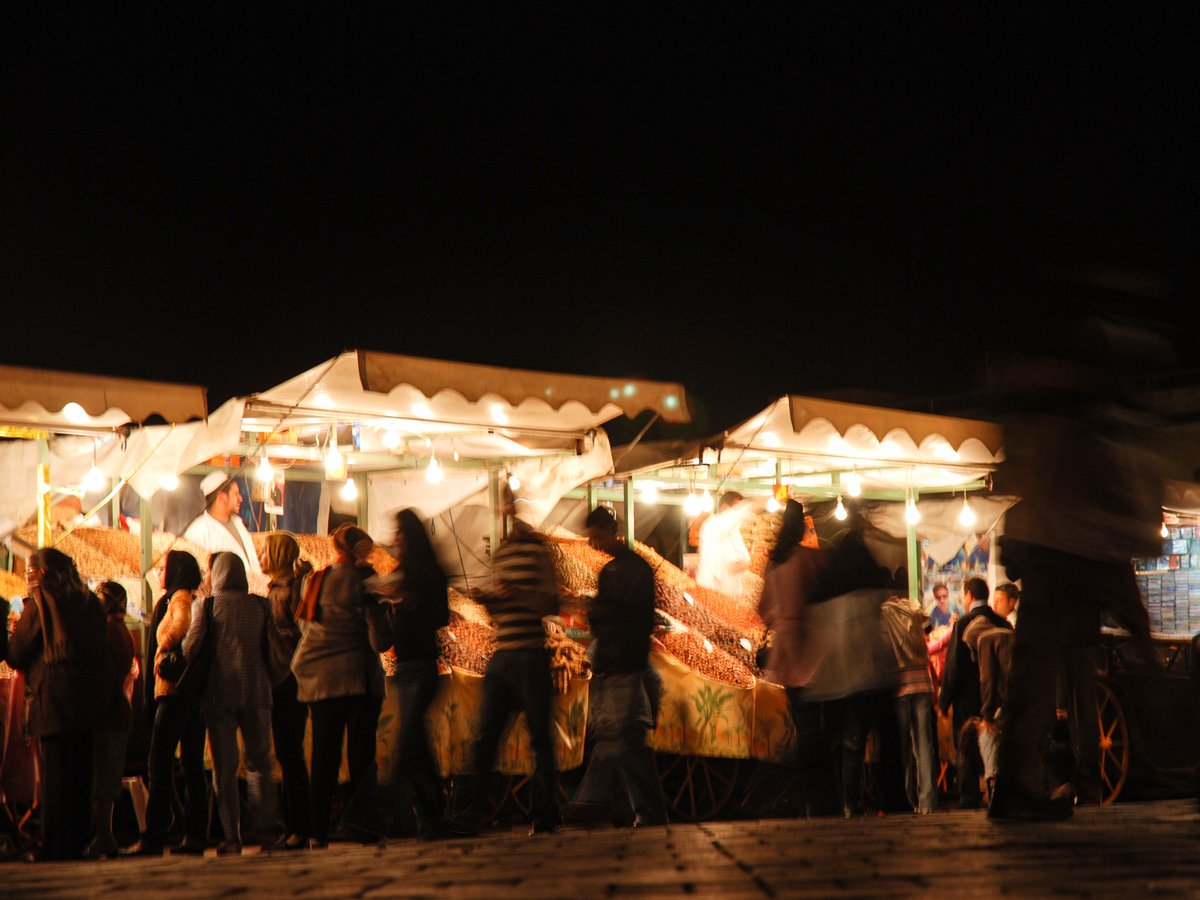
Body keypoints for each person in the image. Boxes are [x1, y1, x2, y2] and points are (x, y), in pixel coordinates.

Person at [989, 314, 1170, 822]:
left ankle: (1016, 783)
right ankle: (1164, 756)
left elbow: (1022, 469)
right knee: (1138, 655)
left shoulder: (1047, 401)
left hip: (1055, 545)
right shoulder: (1101, 413)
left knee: (1035, 671)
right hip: (1090, 547)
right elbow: (1119, 482)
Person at [457, 486, 563, 835]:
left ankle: (545, 815)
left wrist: (516, 594)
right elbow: (499, 613)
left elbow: (550, 603)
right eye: (501, 505)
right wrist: (487, 600)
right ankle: (474, 814)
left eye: (509, 504)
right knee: (486, 735)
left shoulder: (538, 550)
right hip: (503, 655)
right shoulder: (500, 554)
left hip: (531, 655)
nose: (505, 511)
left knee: (540, 739)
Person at [563, 506, 668, 827]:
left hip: (623, 663)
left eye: (597, 537)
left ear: (610, 531)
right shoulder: (616, 570)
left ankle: (586, 804)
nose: (594, 544)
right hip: (619, 662)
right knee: (632, 744)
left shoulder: (630, 570)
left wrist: (592, 608)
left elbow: (629, 617)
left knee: (611, 739)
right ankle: (651, 812)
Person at [7, 548, 113, 861]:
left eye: (30, 569)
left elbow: (18, 652)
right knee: (81, 774)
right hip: (87, 700)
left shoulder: (41, 604)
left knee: (55, 777)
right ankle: (79, 842)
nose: (27, 576)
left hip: (52, 700)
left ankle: (54, 846)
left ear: (44, 572)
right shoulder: (90, 602)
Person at [291, 523, 391, 848]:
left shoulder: (314, 580)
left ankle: (318, 832)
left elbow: (304, 626)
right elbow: (380, 641)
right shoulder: (367, 584)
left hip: (320, 680)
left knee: (323, 757)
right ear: (362, 550)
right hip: (359, 681)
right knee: (362, 758)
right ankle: (363, 827)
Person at [181, 551, 277, 855]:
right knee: (260, 764)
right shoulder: (261, 605)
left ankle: (232, 838)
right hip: (258, 692)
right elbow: (275, 647)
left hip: (219, 694)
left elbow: (190, 648)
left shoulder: (207, 606)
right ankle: (269, 833)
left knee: (224, 767)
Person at [374, 509, 452, 840]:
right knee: (414, 746)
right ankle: (433, 818)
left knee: (408, 744)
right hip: (406, 665)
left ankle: (411, 815)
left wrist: (408, 601)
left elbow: (440, 616)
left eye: (400, 533)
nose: (396, 540)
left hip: (422, 666)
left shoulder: (429, 572)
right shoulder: (403, 570)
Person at [127, 550, 209, 857]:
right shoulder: (181, 596)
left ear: (176, 571)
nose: (159, 572)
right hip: (188, 695)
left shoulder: (180, 599)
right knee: (190, 765)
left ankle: (155, 836)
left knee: (159, 763)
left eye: (163, 567)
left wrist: (164, 643)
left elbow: (181, 626)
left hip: (173, 693)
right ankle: (195, 835)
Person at [756, 499, 832, 815]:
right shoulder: (808, 559)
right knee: (814, 725)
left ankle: (801, 784)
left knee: (802, 720)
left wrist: (778, 619)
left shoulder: (774, 562)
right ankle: (810, 786)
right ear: (802, 527)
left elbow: (762, 609)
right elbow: (821, 594)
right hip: (808, 645)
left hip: (784, 649)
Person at [937, 577, 1011, 808]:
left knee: (967, 747)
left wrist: (944, 700)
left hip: (968, 698)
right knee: (999, 745)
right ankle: (1000, 790)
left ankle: (969, 797)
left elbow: (953, 668)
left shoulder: (962, 624)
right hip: (998, 697)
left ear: (968, 595)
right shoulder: (1003, 622)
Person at [260, 532, 313, 851]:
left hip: (288, 680)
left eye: (266, 551)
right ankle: (293, 826)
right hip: (282, 679)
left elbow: (298, 635)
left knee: (290, 755)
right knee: (286, 754)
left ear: (279, 555)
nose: (261, 556)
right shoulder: (278, 590)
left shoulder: (290, 592)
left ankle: (298, 828)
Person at [85, 581, 136, 859]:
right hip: (116, 711)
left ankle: (105, 835)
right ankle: (104, 834)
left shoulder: (110, 632)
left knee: (103, 777)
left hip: (108, 712)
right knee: (106, 775)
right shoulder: (118, 630)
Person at [880, 594, 938, 815]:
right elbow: (928, 629)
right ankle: (929, 802)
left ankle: (907, 800)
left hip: (900, 687)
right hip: (923, 683)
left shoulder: (884, 614)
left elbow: (885, 649)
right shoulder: (913, 609)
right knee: (924, 746)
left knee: (902, 748)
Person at [182, 472, 263, 578]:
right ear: (221, 497)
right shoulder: (197, 531)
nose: (240, 499)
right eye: (235, 493)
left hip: (253, 591)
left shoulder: (238, 523)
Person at [695, 491, 752, 597]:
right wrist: (756, 503)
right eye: (736, 509)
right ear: (725, 508)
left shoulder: (734, 531)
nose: (738, 515)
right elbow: (737, 516)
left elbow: (745, 557)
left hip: (729, 596)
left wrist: (745, 562)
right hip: (709, 591)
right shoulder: (712, 524)